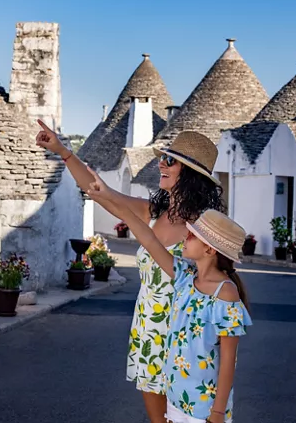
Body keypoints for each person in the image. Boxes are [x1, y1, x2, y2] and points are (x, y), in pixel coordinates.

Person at [35, 120, 225, 423]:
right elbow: (97, 190)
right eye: (163, 157)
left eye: (170, 160)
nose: (161, 164)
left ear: (190, 175)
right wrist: (62, 151)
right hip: (149, 329)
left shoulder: (206, 226)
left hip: (186, 335)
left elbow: (216, 284)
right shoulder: (152, 212)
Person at [86, 166, 251, 423]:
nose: (185, 236)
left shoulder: (226, 293)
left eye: (193, 236)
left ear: (209, 249)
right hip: (176, 399)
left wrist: (218, 412)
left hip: (204, 406)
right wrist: (108, 197)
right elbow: (150, 241)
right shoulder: (185, 277)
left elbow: (229, 360)